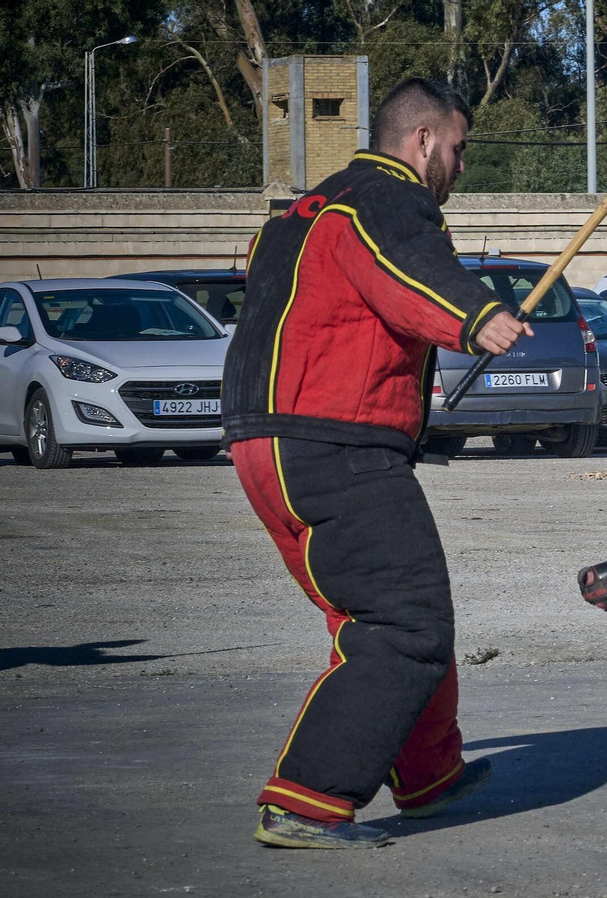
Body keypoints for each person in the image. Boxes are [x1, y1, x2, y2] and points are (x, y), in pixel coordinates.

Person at [222, 78, 531, 849]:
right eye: (458, 150)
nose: (461, 168)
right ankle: (306, 799)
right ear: (423, 142)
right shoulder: (383, 198)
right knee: (405, 623)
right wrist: (477, 314)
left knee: (386, 609)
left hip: (270, 447)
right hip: (334, 444)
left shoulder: (299, 213)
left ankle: (428, 777)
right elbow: (404, 262)